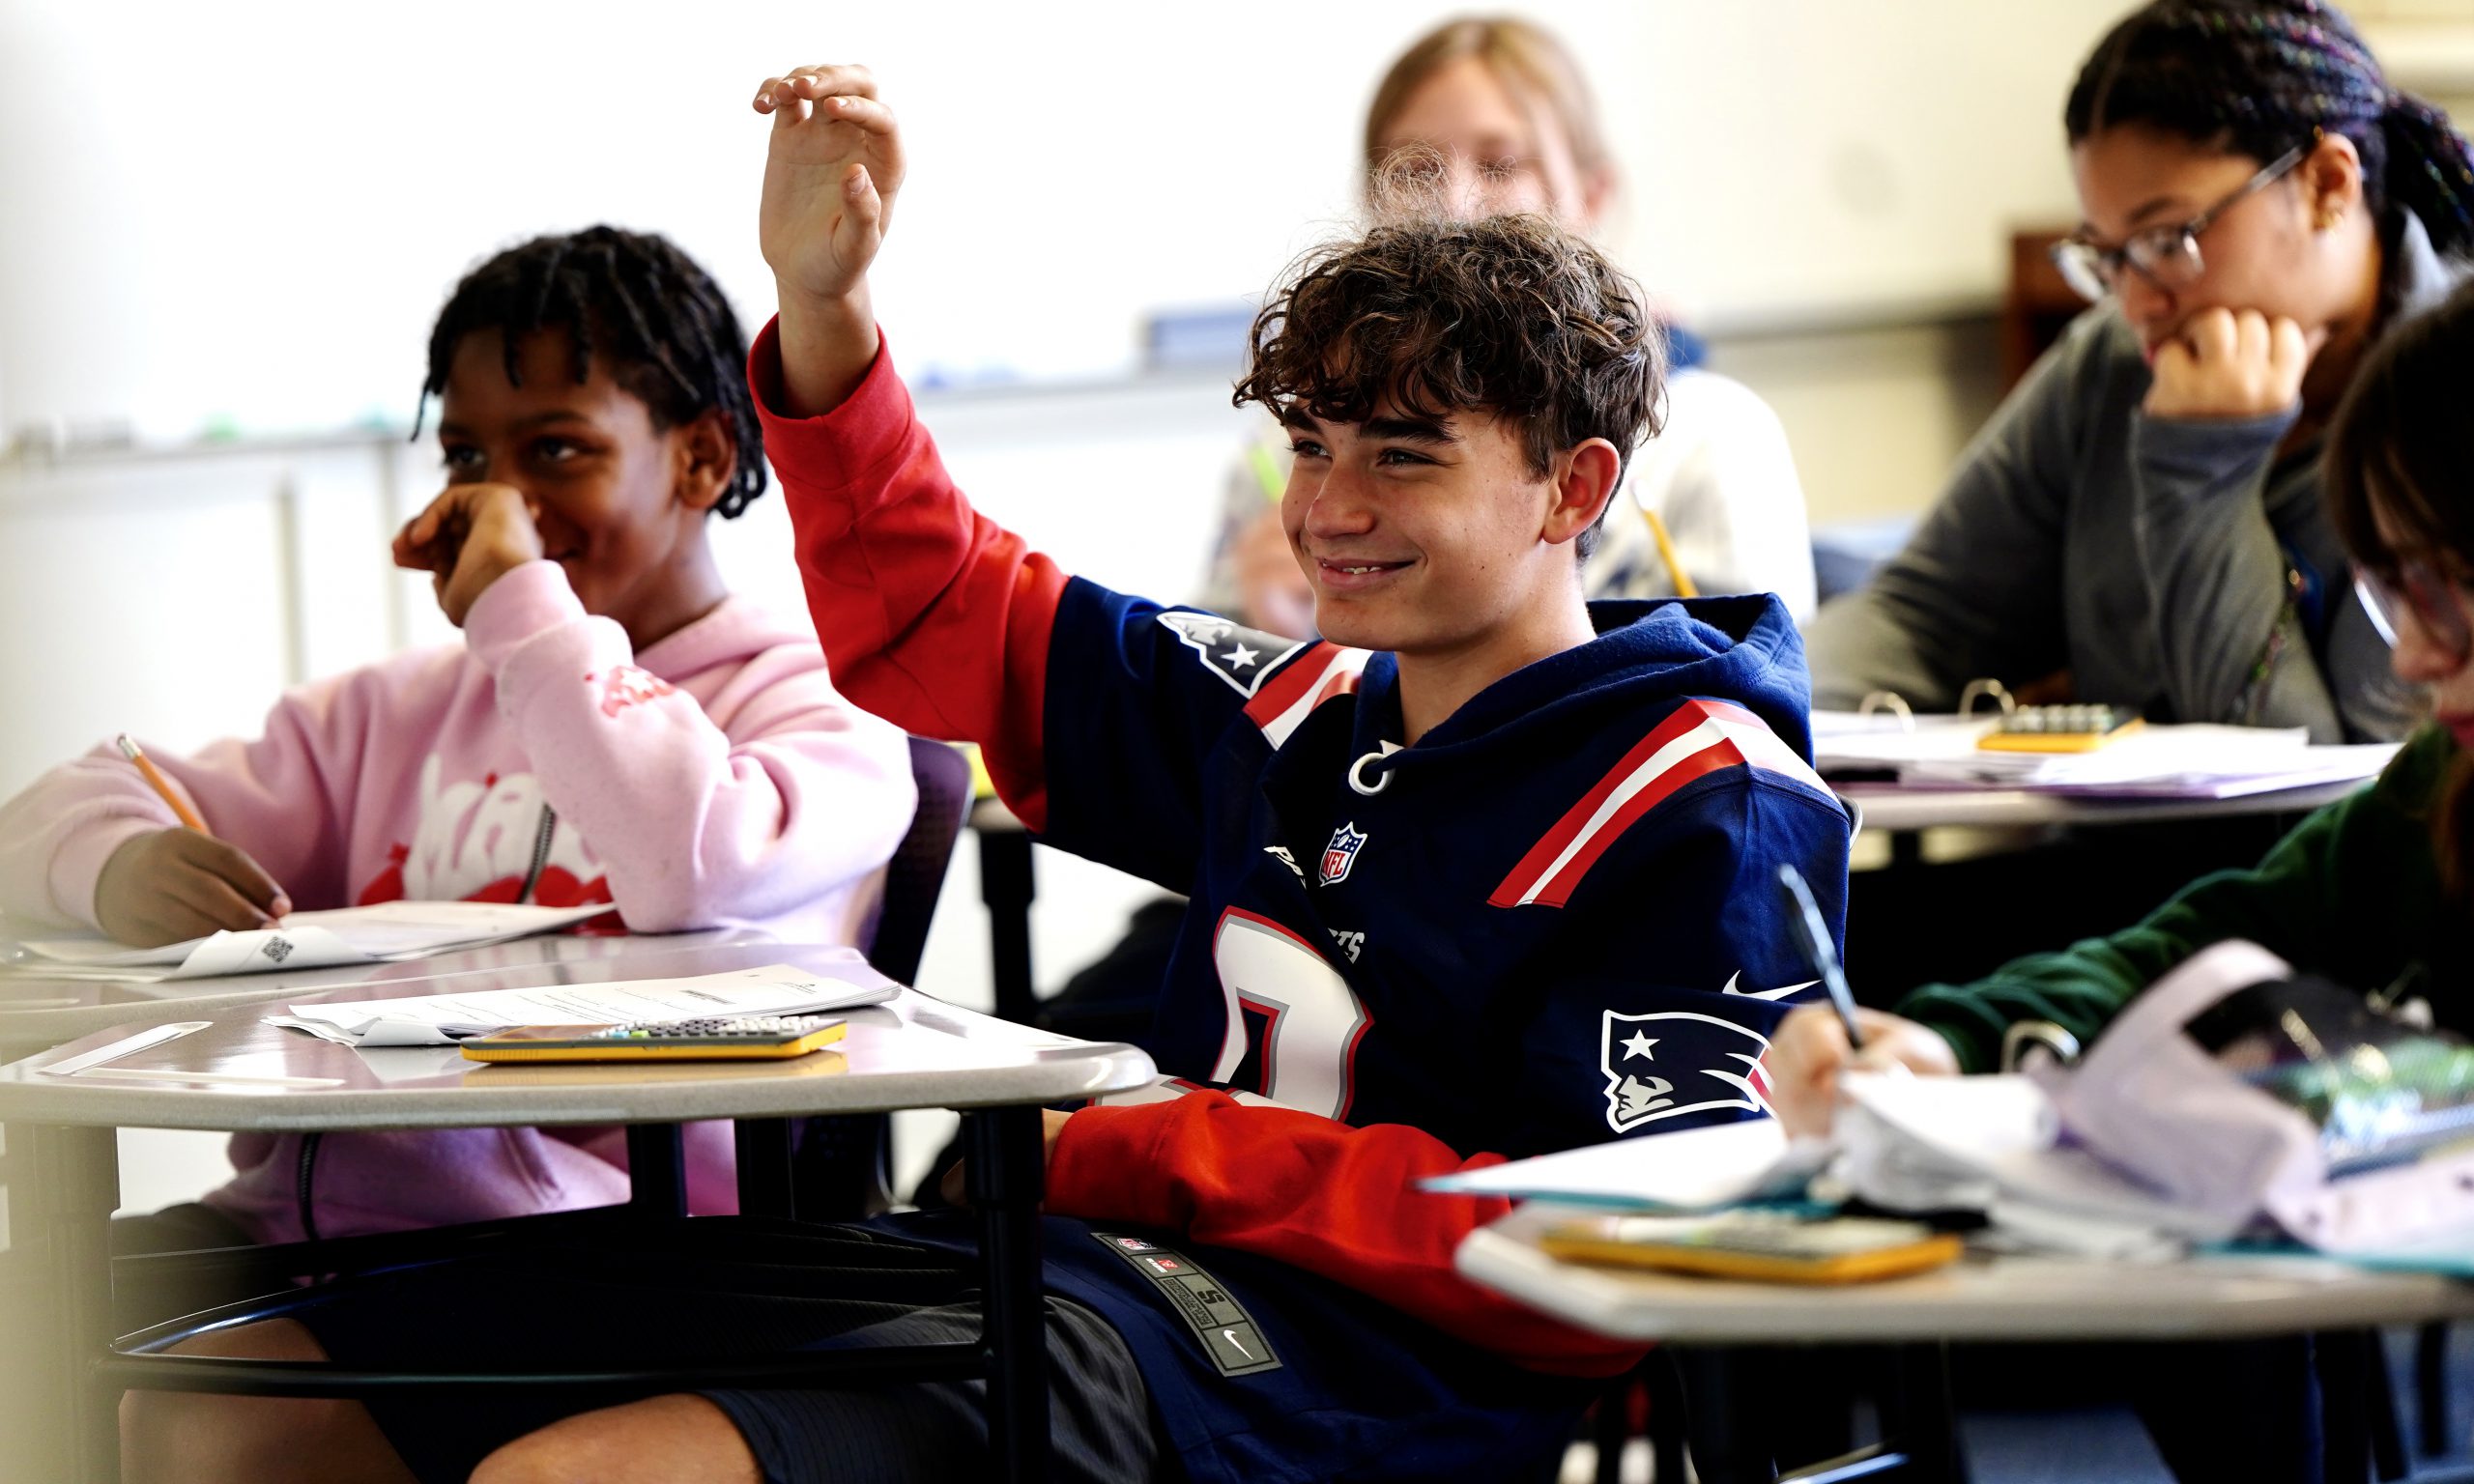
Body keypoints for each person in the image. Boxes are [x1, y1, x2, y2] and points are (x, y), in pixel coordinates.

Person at [128, 63, 1853, 1484]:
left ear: (1574, 487)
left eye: (1402, 457)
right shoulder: (1294, 697)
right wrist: (826, 305)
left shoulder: (1705, 790)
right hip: (1086, 1271)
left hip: (1340, 1370)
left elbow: (1640, 1237)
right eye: (1310, 446)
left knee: (585, 1478)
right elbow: (945, 605)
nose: (1327, 506)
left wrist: (1169, 1148)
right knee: (252, 1399)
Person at [0, 226, 916, 1257]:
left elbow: (689, 862)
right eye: (467, 457)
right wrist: (116, 862)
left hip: (619, 1258)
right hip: (304, 1235)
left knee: (173, 1412)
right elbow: (42, 818)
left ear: (700, 456)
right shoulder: (382, 719)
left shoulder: (825, 705)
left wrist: (523, 614)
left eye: (558, 450)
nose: (497, 503)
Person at [1770, 282, 2474, 1484]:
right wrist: (1946, 1042)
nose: (2409, 653)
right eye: (2383, 591)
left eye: (2441, 590)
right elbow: (2195, 950)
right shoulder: (2441, 787)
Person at [1802, 0, 2473, 746]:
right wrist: (1740, 703)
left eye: (2166, 238)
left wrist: (2200, 472)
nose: (2138, 300)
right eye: (2107, 256)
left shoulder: (2449, 393)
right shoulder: (2115, 362)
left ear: (2327, 184)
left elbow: (2329, 805)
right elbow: (1922, 620)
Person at [1200, 14, 1815, 635]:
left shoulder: (1713, 435)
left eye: (1501, 165)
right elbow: (1198, 681)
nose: (1453, 200)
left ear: (1590, 195)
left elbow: (1753, 682)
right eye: (1416, 168)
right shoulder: (1289, 442)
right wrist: (1279, 630)